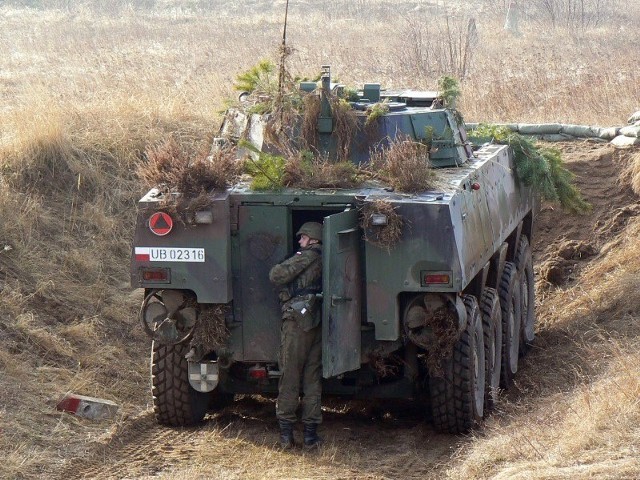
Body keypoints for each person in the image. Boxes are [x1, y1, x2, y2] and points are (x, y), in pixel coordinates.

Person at [268, 221, 323, 449]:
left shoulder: (308, 255)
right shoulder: (326, 256)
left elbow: (276, 275)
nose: (299, 241)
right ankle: (310, 437)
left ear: (313, 239)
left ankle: (286, 435)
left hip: (296, 321)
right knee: (312, 379)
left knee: (289, 374)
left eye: (302, 238)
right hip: (315, 320)